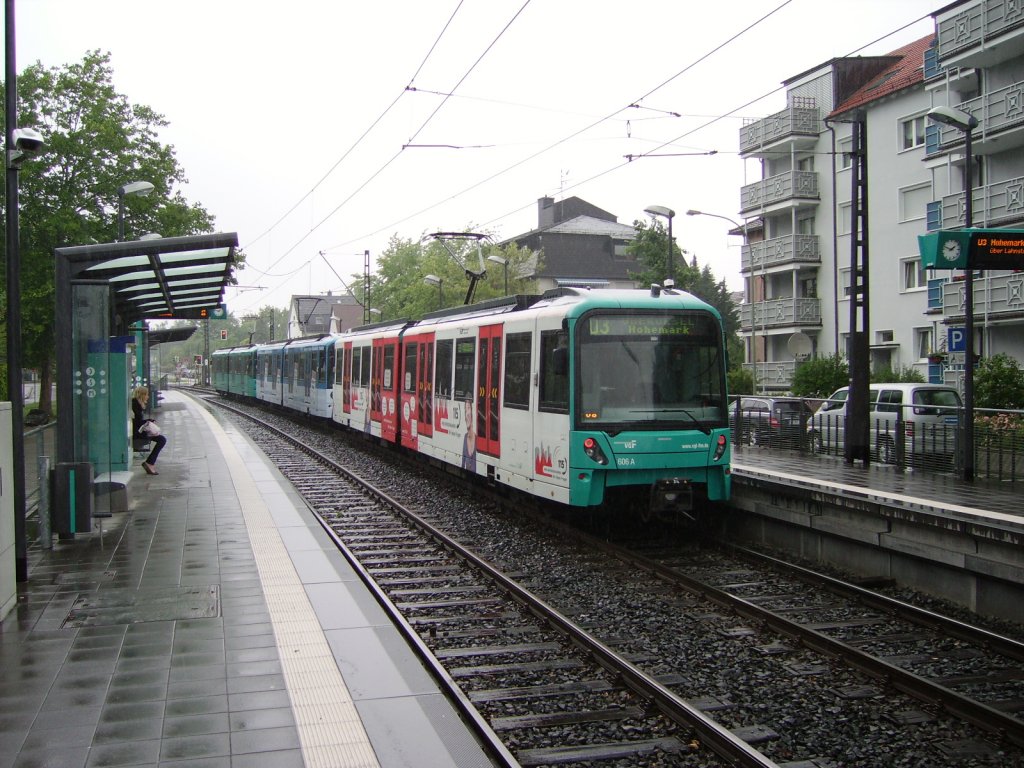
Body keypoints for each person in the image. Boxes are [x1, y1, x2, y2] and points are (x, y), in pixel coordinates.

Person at [132, 386, 167, 475]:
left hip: (137, 431)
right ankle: (150, 463)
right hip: (136, 433)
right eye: (147, 394)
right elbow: (137, 422)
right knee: (162, 440)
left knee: (161, 439)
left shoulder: (137, 404)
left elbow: (137, 421)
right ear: (142, 395)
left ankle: (150, 463)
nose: (148, 397)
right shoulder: (135, 404)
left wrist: (148, 421)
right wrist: (148, 422)